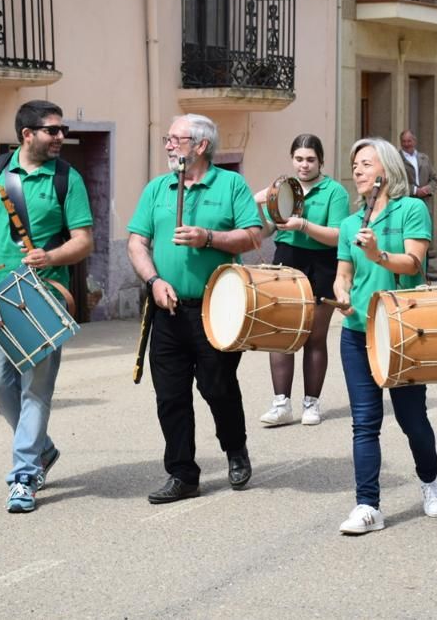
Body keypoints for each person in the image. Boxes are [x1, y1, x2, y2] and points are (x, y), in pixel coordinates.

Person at [0, 100, 94, 513]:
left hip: (41, 295)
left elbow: (83, 240)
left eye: (62, 130)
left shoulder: (68, 179)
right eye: (52, 130)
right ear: (27, 134)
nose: (60, 137)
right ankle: (43, 449)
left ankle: (24, 475)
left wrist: (51, 258)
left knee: (36, 389)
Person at [128, 113, 261, 504]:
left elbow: (253, 236)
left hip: (217, 307)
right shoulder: (157, 188)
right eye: (167, 138)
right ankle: (183, 474)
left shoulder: (232, 184)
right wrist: (154, 281)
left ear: (201, 146)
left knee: (216, 387)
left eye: (176, 138)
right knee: (170, 395)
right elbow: (137, 243)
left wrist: (209, 237)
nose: (168, 144)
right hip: (166, 309)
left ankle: (235, 448)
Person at [332, 137, 437, 535]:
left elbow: (413, 262)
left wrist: (379, 253)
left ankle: (430, 483)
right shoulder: (350, 223)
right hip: (357, 332)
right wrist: (341, 294)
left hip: (402, 328)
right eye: (356, 164)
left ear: (387, 171)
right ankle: (368, 506)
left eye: (366, 163)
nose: (358, 171)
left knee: (413, 419)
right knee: (365, 422)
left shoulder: (411, 209)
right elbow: (343, 275)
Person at [253, 134, 349, 427]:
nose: (304, 165)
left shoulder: (335, 191)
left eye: (310, 159)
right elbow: (268, 230)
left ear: (321, 161)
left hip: (321, 263)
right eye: (299, 159)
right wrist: (260, 204)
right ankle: (281, 403)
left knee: (314, 336)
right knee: (280, 333)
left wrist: (304, 225)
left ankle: (312, 403)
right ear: (291, 159)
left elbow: (338, 234)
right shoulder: (284, 187)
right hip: (287, 258)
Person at [399, 129, 437, 271]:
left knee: (425, 234)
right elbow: (397, 181)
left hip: (425, 202)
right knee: (411, 236)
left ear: (414, 141)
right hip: (407, 201)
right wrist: (415, 190)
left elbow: (434, 178)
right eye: (404, 141)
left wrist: (428, 189)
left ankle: (425, 270)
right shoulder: (397, 159)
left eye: (409, 141)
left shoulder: (424, 158)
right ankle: (413, 268)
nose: (407, 144)